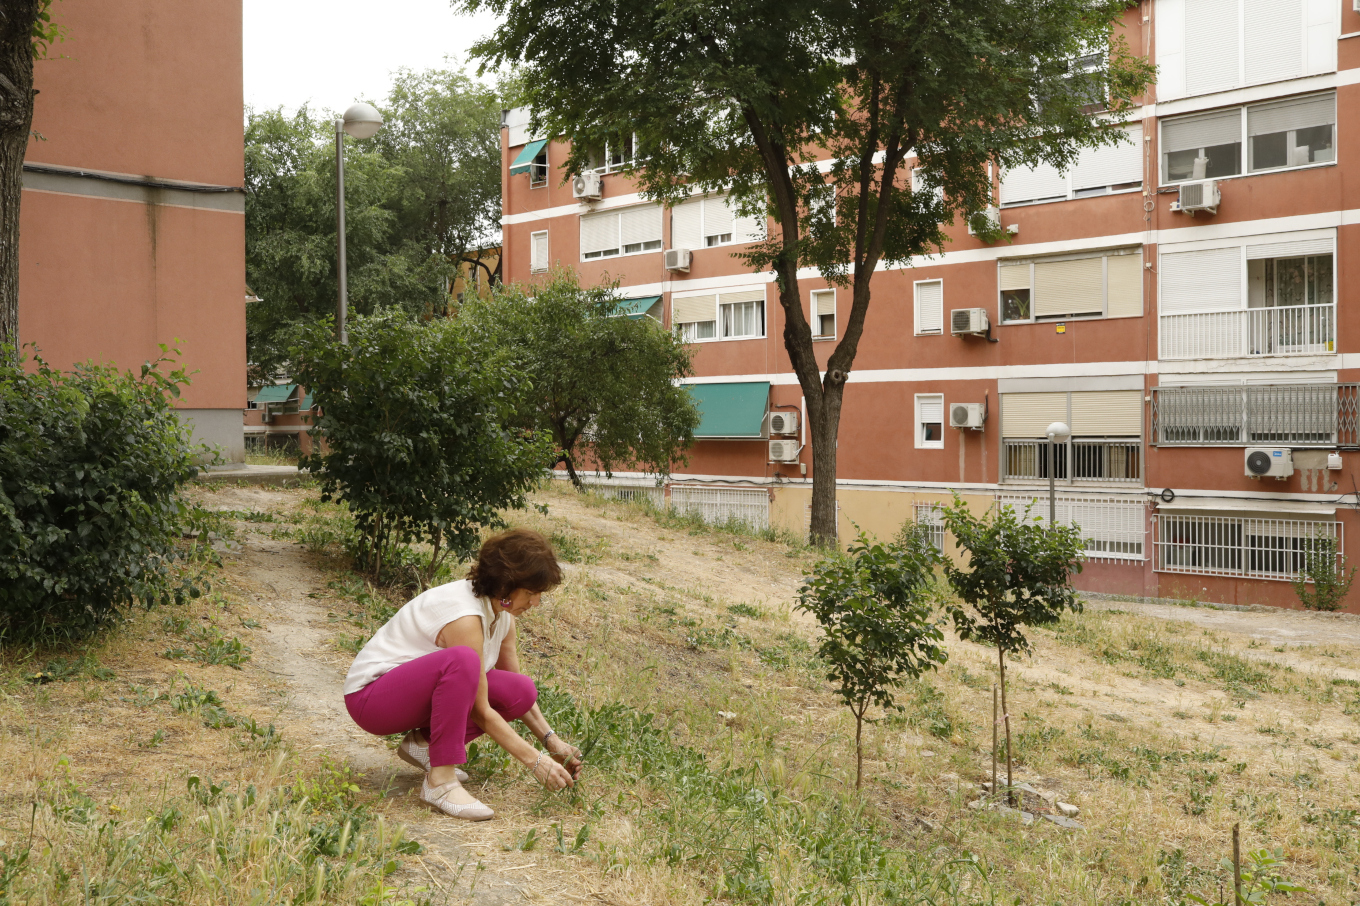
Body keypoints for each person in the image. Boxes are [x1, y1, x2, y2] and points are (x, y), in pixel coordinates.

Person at [343, 528, 582, 820]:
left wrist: (552, 742)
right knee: (463, 661)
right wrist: (536, 761)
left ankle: (424, 744)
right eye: (531, 593)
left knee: (520, 689)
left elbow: (517, 698)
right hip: (372, 700)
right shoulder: (465, 617)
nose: (536, 603)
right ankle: (440, 783)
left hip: (409, 696)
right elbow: (481, 710)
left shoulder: (503, 617)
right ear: (506, 585)